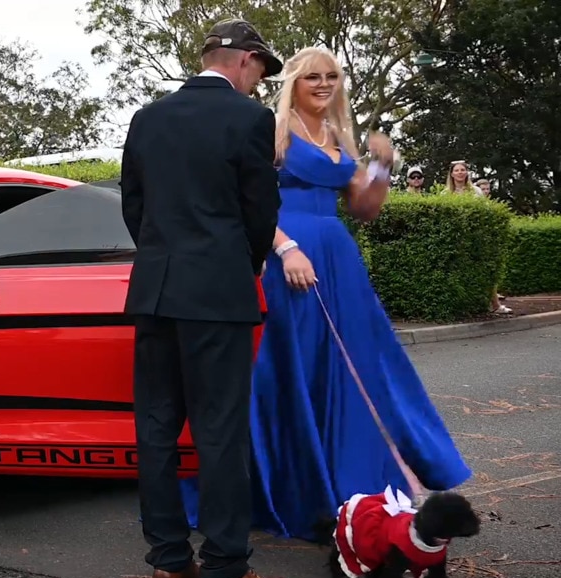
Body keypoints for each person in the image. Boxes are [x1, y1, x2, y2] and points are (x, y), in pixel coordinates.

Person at [179, 47, 472, 544]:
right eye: (312, 76)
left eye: (332, 76)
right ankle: (291, 486)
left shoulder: (338, 136)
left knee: (358, 369)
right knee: (292, 369)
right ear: (292, 80)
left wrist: (381, 164)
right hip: (286, 257)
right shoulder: (271, 128)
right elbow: (241, 198)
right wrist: (285, 248)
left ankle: (351, 484)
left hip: (338, 260)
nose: (323, 84)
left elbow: (365, 208)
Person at [121, 18, 290, 578]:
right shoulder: (249, 119)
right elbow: (259, 212)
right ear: (244, 59)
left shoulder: (148, 118)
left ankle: (168, 562)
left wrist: (164, 258)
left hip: (155, 291)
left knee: (157, 427)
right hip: (216, 292)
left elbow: (133, 207)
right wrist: (237, 267)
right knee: (219, 430)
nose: (258, 84)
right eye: (260, 72)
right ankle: (224, 567)